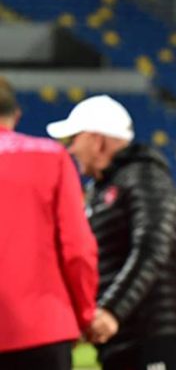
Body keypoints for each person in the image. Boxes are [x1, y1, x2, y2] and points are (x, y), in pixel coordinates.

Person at [46, 94, 176, 370]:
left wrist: (112, 310)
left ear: (97, 140)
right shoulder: (100, 189)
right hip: (119, 340)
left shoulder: (146, 176)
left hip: (151, 337)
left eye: (74, 139)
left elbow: (152, 247)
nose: (71, 149)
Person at [0, 77, 98, 370]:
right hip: (42, 329)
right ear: (16, 114)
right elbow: (77, 248)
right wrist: (85, 314)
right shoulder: (51, 156)